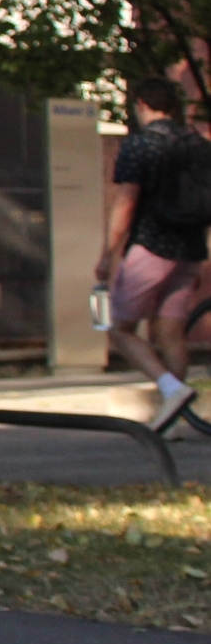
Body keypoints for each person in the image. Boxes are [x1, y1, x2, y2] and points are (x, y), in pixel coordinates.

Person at [97, 77, 211, 429]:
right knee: (170, 333)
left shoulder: (141, 145)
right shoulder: (199, 145)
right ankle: (172, 422)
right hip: (190, 248)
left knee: (119, 327)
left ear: (142, 104)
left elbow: (126, 203)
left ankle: (170, 389)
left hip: (152, 245)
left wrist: (108, 253)